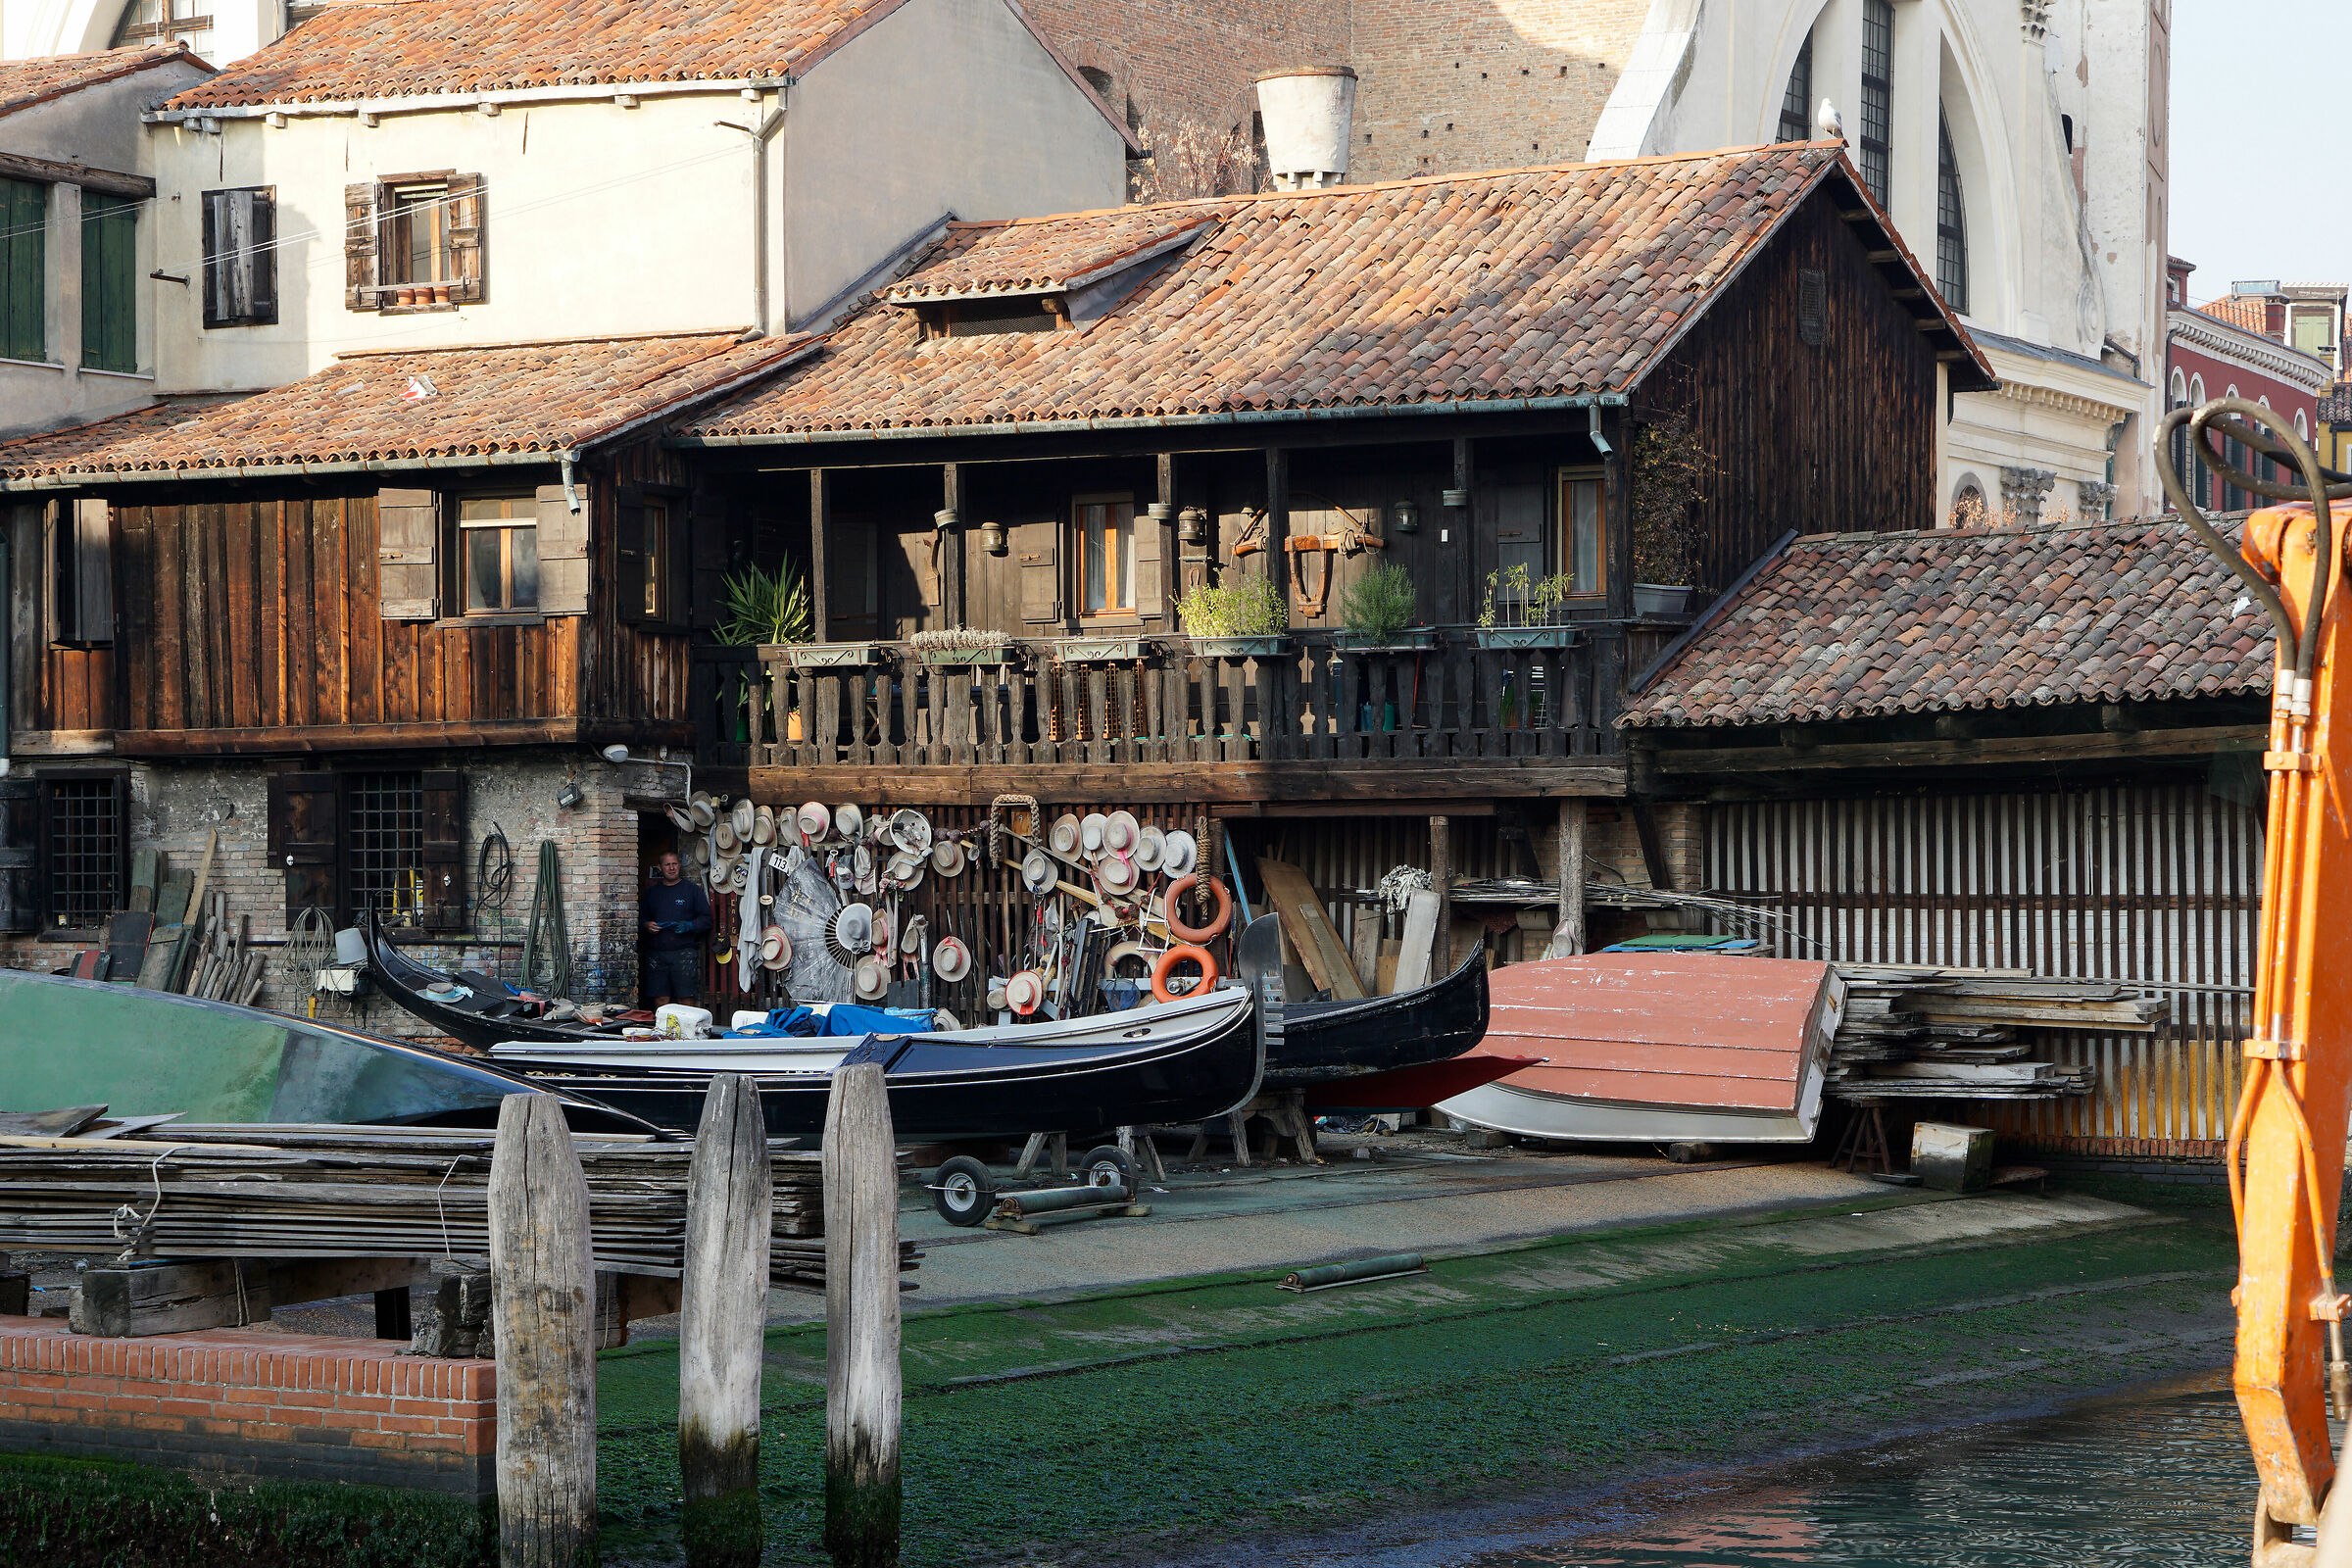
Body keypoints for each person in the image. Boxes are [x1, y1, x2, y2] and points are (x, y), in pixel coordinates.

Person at [639, 852, 711, 1006]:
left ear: (679, 865)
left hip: (684, 952)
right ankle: (662, 1023)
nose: (671, 868)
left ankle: (686, 1023)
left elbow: (706, 920)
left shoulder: (692, 890)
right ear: (660, 868)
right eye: (667, 865)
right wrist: (647, 925)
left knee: (685, 998)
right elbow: (639, 919)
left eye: (674, 864)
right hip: (657, 954)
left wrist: (690, 925)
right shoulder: (652, 893)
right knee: (661, 998)